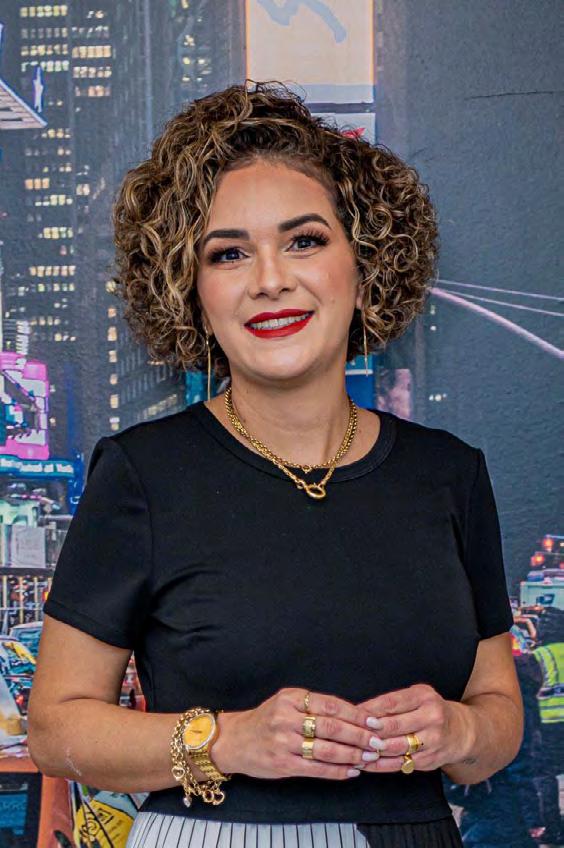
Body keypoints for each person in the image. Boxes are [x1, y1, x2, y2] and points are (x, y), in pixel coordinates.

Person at [27, 80, 523, 848]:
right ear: (192, 291)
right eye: (228, 253)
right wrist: (226, 740)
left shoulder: (449, 475)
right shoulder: (142, 474)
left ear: (364, 263)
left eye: (304, 241)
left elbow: (499, 716)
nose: (269, 279)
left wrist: (459, 730)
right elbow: (55, 731)